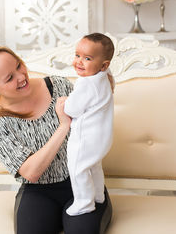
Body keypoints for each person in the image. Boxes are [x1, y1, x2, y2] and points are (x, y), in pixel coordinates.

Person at [0, 45, 112, 234]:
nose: (21, 76)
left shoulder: (59, 86)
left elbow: (92, 121)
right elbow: (31, 173)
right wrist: (63, 126)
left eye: (19, 65)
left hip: (82, 183)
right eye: (9, 78)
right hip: (38, 191)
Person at [57, 33, 114, 216]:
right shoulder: (104, 77)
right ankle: (98, 195)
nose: (79, 62)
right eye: (77, 55)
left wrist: (64, 102)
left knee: (78, 168)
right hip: (101, 137)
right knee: (94, 166)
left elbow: (72, 110)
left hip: (85, 138)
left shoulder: (86, 84)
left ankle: (83, 202)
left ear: (103, 64)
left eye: (87, 58)